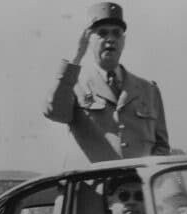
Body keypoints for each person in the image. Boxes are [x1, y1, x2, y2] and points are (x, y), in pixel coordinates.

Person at [44, 2, 170, 162]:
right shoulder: (75, 84)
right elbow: (54, 112)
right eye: (102, 33)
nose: (110, 39)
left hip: (137, 185)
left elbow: (162, 147)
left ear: (123, 41)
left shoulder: (149, 90)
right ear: (89, 40)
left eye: (116, 33)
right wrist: (76, 57)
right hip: (91, 186)